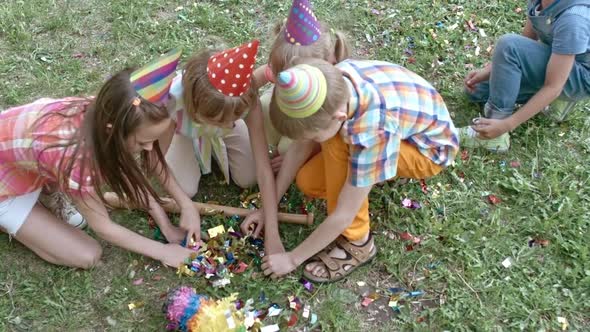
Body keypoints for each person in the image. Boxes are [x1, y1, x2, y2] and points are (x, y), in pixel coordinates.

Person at [260, 58, 459, 282]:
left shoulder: (370, 132)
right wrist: (269, 207)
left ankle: (360, 243)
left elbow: (343, 215)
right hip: (392, 126)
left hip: (426, 152)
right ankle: (357, 164)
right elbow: (299, 148)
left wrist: (292, 259)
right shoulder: (328, 85)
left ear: (339, 119)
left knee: (337, 143)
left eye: (312, 137)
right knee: (308, 181)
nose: (307, 142)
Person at [0, 49, 198, 269]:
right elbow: (104, 227)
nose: (149, 148)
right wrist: (162, 251)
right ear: (112, 130)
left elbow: (128, 174)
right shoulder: (76, 158)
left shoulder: (110, 110)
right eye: (142, 143)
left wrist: (169, 222)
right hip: (5, 188)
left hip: (26, 166)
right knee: (88, 255)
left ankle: (45, 192)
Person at [240, 0, 351, 237]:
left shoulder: (334, 94)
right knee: (266, 107)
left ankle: (304, 151)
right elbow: (249, 86)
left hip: (318, 125)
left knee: (288, 147)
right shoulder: (284, 65)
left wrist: (304, 154)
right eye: (280, 75)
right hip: (295, 114)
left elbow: (315, 136)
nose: (281, 78)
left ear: (325, 65)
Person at [166, 41, 284, 255]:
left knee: (248, 178)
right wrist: (184, 204)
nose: (230, 125)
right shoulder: (171, 100)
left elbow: (263, 169)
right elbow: (152, 158)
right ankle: (197, 149)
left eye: (236, 118)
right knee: (186, 190)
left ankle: (214, 144)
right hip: (182, 131)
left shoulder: (242, 103)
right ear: (195, 106)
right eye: (223, 121)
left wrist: (272, 233)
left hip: (218, 116)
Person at [461, 0, 590, 152]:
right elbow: (525, 44)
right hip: (558, 59)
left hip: (580, 77)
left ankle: (496, 135)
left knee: (508, 45)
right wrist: (490, 70)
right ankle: (554, 102)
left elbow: (553, 86)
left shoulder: (573, 19)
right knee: (477, 91)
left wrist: (507, 124)